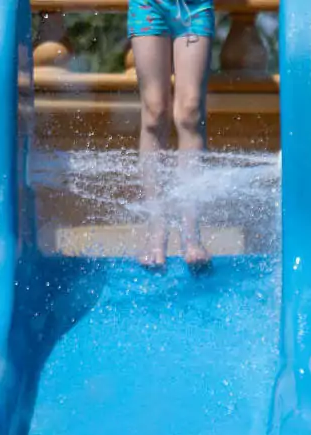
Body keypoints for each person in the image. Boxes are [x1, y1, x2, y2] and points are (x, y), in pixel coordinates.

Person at [129, 0, 214, 272]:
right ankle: (156, 230)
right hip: (149, 5)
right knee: (154, 111)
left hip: (196, 7)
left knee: (189, 111)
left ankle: (191, 234)